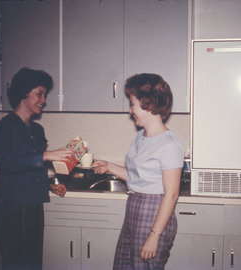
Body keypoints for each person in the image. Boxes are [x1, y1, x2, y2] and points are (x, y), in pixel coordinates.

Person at [93, 73, 184, 269]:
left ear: (148, 104)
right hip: (134, 208)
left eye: (132, 103)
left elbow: (172, 194)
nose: (129, 110)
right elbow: (137, 178)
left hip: (154, 213)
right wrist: (109, 166)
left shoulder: (170, 144)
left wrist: (154, 235)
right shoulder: (140, 137)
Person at [0, 67, 75, 270]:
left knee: (34, 263)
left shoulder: (37, 130)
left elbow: (32, 169)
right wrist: (47, 155)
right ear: (24, 92)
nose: (44, 100)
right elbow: (8, 163)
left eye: (44, 95)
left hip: (34, 205)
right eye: (40, 93)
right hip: (12, 208)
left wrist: (50, 185)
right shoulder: (5, 127)